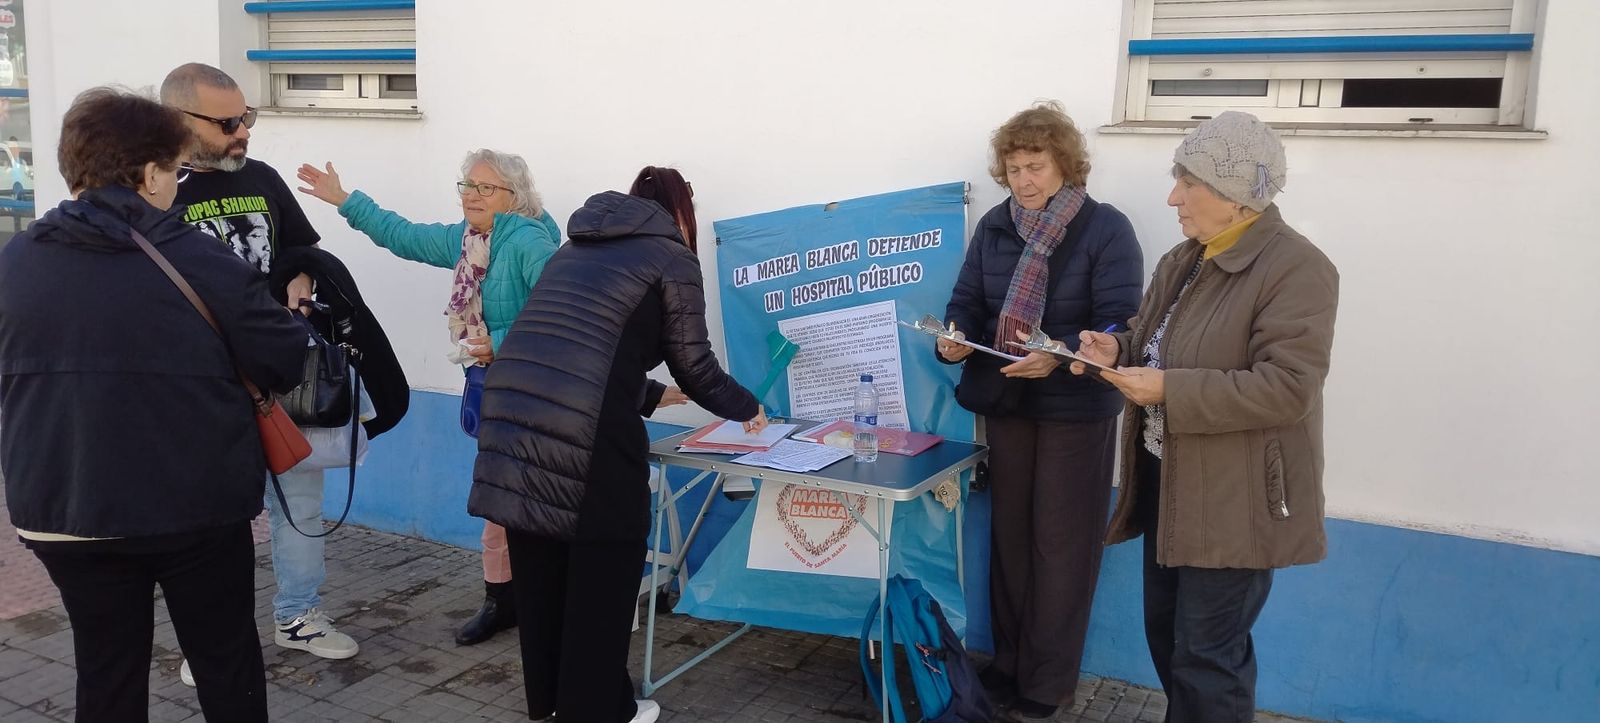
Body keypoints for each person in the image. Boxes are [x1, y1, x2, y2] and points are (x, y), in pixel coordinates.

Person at [0, 87, 306, 721]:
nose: (176, 183)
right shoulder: (195, 255)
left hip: (62, 506)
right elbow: (283, 357)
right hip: (193, 503)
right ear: (148, 173)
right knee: (225, 663)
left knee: (106, 671)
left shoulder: (15, 260)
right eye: (174, 168)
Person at [1068, 111, 1339, 722]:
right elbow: (1159, 338)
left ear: (1235, 194)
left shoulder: (1298, 268)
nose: (1173, 197)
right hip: (1172, 483)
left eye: (1186, 182)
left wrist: (1168, 388)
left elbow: (1288, 387)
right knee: (1170, 643)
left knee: (1208, 659)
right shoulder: (1186, 259)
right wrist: (1119, 348)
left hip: (1237, 498)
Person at [468, 169, 766, 723]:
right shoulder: (671, 255)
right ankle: (602, 707)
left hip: (511, 409)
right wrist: (747, 407)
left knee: (542, 565)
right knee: (605, 562)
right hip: (583, 431)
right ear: (681, 211)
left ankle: (554, 704)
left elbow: (576, 345)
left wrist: (650, 394)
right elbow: (695, 364)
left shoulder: (577, 246)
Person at [295, 149, 562, 646]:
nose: (472, 196)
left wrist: (500, 343)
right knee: (498, 493)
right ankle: (503, 599)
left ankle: (524, 598)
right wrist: (346, 201)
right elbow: (405, 236)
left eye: (486, 188)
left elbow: (561, 315)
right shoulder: (471, 242)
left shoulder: (527, 243)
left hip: (532, 392)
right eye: (467, 185)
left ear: (514, 196)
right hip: (491, 386)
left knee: (514, 495)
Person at [937, 101, 1144, 719]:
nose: (1024, 181)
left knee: (1062, 545)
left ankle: (1047, 684)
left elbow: (1119, 320)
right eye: (1014, 168)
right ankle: (1006, 666)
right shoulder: (995, 226)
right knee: (1010, 537)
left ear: (1066, 165)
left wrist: (1057, 357)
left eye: (1036, 166)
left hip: (1075, 407)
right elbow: (967, 300)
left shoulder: (1107, 228)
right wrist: (953, 337)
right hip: (1007, 396)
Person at [160, 62, 358, 664]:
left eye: (246, 117)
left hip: (278, 375)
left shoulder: (263, 178)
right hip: (200, 384)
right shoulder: (157, 192)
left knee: (300, 500)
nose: (243, 132)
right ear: (179, 122)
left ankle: (297, 615)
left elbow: (301, 246)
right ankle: (210, 648)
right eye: (227, 123)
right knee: (207, 520)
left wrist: (300, 274)